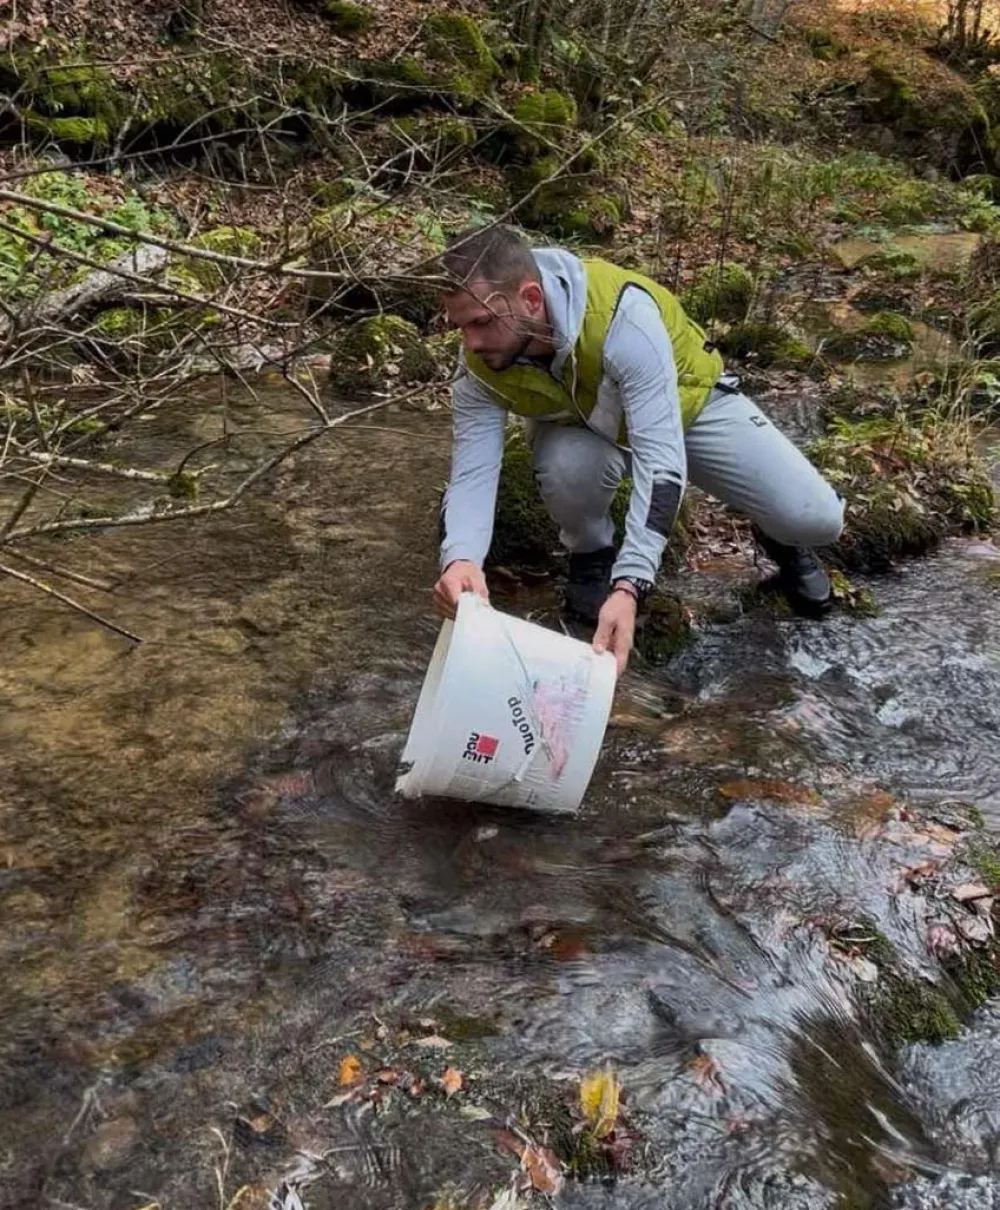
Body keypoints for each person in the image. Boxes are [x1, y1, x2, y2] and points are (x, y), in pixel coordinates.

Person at [432, 225, 844, 677]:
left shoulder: (622, 319)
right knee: (565, 464)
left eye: (483, 322)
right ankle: (591, 553)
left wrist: (630, 586)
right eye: (460, 325)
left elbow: (662, 463)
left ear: (531, 299)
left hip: (686, 408)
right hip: (588, 430)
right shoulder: (478, 365)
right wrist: (462, 557)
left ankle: (781, 538)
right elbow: (472, 472)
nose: (470, 342)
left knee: (817, 518)